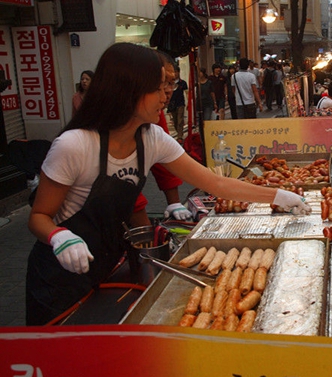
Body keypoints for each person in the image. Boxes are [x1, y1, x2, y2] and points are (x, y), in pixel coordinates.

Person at [25, 42, 310, 325]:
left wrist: (278, 196)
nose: (166, 96)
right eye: (158, 87)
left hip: (106, 266)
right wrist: (58, 237)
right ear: (128, 89)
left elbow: (215, 183)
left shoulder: (151, 138)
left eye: (168, 87)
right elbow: (39, 217)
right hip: (58, 278)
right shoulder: (74, 145)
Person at [130, 51, 191, 226]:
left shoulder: (153, 124)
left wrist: (174, 202)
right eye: (161, 85)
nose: (167, 93)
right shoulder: (78, 141)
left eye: (172, 83)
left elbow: (170, 161)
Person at [167, 65, 188, 143]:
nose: (175, 74)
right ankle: (178, 133)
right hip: (172, 104)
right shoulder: (169, 83)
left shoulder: (183, 83)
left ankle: (180, 136)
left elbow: (187, 93)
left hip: (180, 103)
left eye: (176, 72)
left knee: (180, 120)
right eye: (174, 72)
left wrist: (189, 102)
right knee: (175, 120)